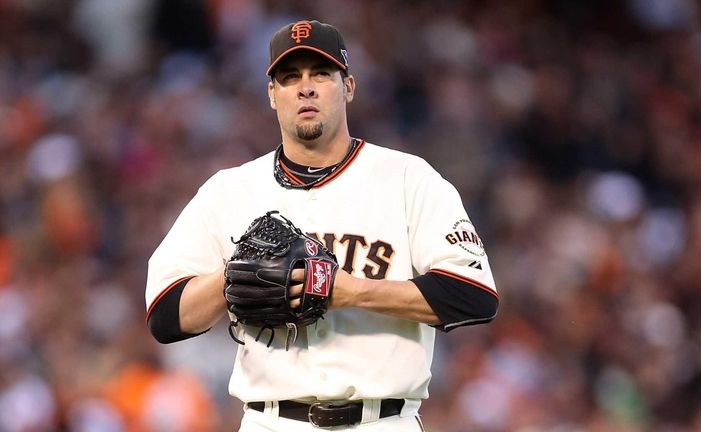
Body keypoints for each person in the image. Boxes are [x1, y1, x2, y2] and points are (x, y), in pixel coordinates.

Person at [145, 19, 498, 431]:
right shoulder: (229, 191)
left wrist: (349, 291)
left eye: (321, 74)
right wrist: (233, 277)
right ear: (272, 94)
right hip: (272, 420)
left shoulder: (407, 178)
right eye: (290, 77)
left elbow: (475, 295)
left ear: (348, 86)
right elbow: (165, 315)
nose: (305, 87)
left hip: (383, 420)